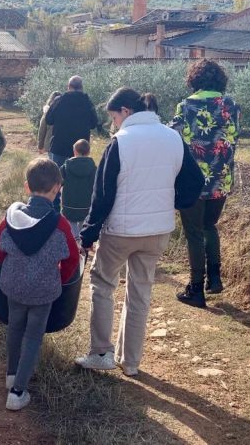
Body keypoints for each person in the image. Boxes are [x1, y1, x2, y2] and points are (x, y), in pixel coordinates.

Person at [74, 88, 203, 377]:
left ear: (126, 112)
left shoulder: (121, 142)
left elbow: (103, 195)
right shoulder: (173, 138)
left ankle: (101, 352)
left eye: (114, 117)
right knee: (140, 293)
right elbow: (196, 181)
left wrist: (88, 235)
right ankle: (130, 362)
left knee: (103, 285)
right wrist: (173, 202)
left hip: (121, 230)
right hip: (157, 231)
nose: (113, 123)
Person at [0, 158, 81, 411]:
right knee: (33, 337)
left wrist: (13, 269)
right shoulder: (61, 224)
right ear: (57, 189)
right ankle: (18, 392)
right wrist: (58, 281)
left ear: (26, 187)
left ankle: (11, 376)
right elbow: (72, 260)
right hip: (43, 291)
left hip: (13, 286)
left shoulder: (10, 218)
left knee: (14, 328)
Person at [169, 59, 240, 308]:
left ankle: (196, 289)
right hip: (221, 179)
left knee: (194, 233)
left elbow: (173, 136)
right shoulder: (230, 105)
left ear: (194, 80)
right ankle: (215, 278)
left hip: (192, 181)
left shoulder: (186, 106)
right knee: (210, 226)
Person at [43, 76, 98, 167]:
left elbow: (48, 120)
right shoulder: (87, 102)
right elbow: (93, 124)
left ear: (68, 87)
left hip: (59, 146)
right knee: (78, 177)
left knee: (57, 178)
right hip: (80, 149)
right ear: (81, 87)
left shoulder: (59, 101)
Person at [60, 139, 96, 240]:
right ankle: (81, 238)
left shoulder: (66, 167)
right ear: (88, 152)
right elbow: (96, 185)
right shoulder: (93, 168)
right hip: (86, 204)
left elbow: (60, 182)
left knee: (71, 221)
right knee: (83, 221)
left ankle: (75, 238)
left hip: (69, 204)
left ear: (74, 151)